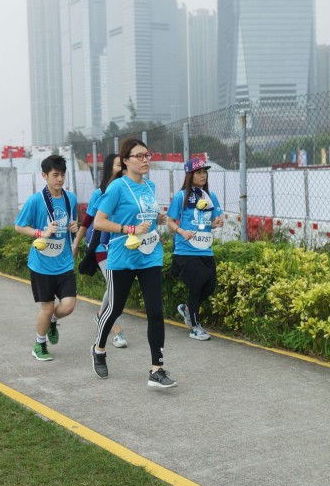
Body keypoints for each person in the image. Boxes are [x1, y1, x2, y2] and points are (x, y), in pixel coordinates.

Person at [90, 138, 178, 389]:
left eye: (147, 155)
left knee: (156, 311)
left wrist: (158, 219)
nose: (145, 160)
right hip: (122, 257)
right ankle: (99, 349)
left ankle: (156, 370)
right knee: (114, 308)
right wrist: (129, 229)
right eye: (139, 156)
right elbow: (99, 222)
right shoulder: (117, 187)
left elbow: (143, 216)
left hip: (149, 255)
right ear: (126, 161)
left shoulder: (149, 186)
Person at [14, 154, 78, 361]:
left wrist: (74, 227)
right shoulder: (36, 200)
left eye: (62, 175)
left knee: (68, 306)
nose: (60, 179)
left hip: (64, 262)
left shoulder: (70, 199)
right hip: (41, 264)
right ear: (44, 176)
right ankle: (39, 344)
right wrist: (41, 233)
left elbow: (71, 224)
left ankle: (52, 320)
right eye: (55, 175)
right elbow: (19, 226)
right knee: (48, 307)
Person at [73, 153, 128, 348]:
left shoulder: (129, 191)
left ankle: (100, 316)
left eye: (124, 165)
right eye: (118, 165)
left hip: (121, 246)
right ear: (109, 168)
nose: (122, 169)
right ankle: (117, 331)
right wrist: (75, 244)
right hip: (101, 246)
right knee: (114, 288)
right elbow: (87, 222)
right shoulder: (100, 193)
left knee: (114, 287)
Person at [167, 157, 224, 340]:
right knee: (196, 287)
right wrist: (181, 231)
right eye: (199, 172)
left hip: (205, 248)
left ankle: (187, 309)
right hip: (186, 250)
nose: (203, 175)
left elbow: (212, 222)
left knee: (210, 286)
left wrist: (216, 223)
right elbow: (170, 221)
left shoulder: (210, 196)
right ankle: (195, 327)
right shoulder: (181, 196)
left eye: (204, 172)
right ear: (190, 175)